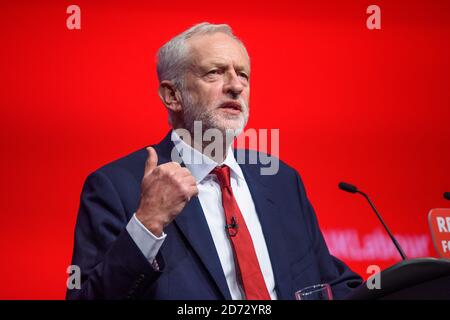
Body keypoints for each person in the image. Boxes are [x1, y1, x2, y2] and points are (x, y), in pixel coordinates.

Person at [67, 22, 362, 300]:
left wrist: (403, 281)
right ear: (172, 96)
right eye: (214, 72)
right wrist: (147, 224)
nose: (236, 86)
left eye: (243, 74)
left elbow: (329, 281)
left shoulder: (282, 182)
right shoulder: (117, 187)